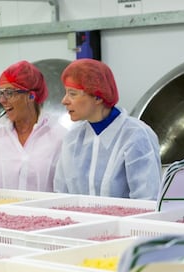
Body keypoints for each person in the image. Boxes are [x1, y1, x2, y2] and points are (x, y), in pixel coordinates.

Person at [53, 59, 161, 199]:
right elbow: (61, 196)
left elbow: (147, 199)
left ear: (98, 97)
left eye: (72, 94)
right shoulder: (72, 139)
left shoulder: (136, 136)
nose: (64, 101)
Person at [0, 60, 68, 191]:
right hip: (3, 211)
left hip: (46, 211)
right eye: (0, 94)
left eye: (9, 93)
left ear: (31, 95)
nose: (2, 100)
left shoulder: (60, 138)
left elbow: (65, 190)